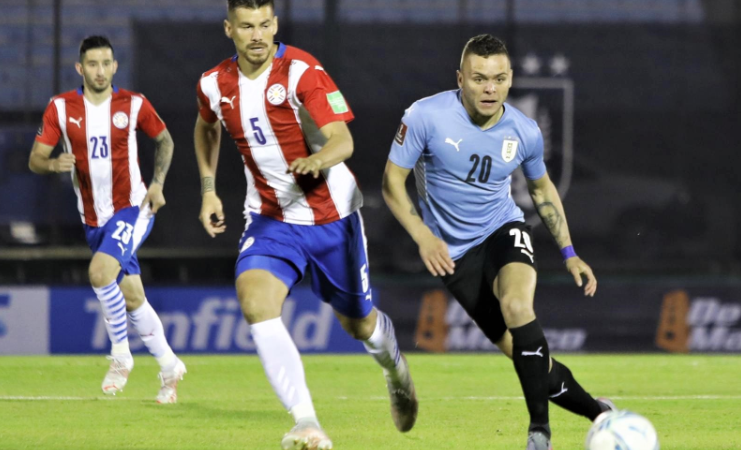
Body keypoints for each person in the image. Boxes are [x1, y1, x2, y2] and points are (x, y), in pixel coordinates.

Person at [193, 1, 417, 448]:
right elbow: (206, 127)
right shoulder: (213, 84)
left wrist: (318, 158)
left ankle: (395, 368)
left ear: (275, 24)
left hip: (331, 217)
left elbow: (343, 139)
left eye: (265, 25)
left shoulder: (302, 71)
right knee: (255, 299)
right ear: (229, 29)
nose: (257, 35)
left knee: (359, 325)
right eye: (246, 26)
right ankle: (306, 422)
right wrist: (208, 188)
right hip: (270, 218)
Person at [382, 34, 615, 450]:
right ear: (460, 79)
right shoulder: (425, 116)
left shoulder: (524, 131)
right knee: (531, 362)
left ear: (509, 82)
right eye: (479, 78)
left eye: (499, 79)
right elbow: (391, 183)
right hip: (453, 257)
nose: (489, 88)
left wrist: (570, 253)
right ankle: (601, 415)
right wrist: (423, 236)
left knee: (517, 306)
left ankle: (539, 432)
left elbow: (542, 191)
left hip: (502, 230)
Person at [29, 36, 186, 404]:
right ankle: (169, 365)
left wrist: (158, 184)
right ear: (80, 69)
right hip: (93, 219)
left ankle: (120, 356)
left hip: (133, 208)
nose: (100, 71)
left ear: (115, 66)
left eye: (107, 63)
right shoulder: (60, 108)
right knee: (132, 297)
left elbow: (165, 140)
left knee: (99, 274)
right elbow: (36, 158)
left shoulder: (133, 104)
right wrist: (53, 163)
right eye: (93, 64)